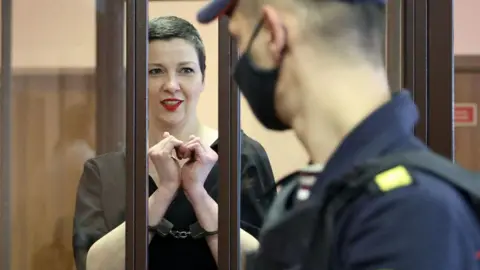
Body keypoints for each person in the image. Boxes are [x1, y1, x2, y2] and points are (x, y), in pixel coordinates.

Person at [196, 0, 480, 269]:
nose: (239, 63)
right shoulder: (311, 192)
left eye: (240, 39)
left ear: (273, 33)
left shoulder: (410, 210)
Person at [72, 16, 276, 270]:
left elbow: (268, 263)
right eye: (155, 71)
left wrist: (198, 195)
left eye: (186, 70)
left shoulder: (243, 157)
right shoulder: (104, 172)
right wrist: (165, 191)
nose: (171, 85)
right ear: (136, 82)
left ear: (203, 79)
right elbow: (91, 266)